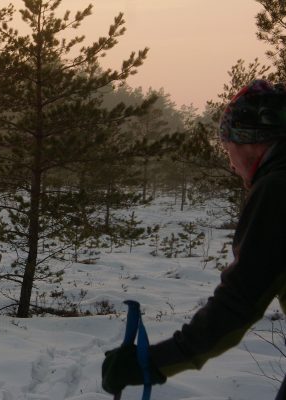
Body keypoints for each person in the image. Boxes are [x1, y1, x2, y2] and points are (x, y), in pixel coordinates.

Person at [102, 79, 286, 398]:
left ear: (253, 141)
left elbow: (239, 301)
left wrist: (152, 363)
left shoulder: (278, 189)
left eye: (228, 147)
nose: (230, 163)